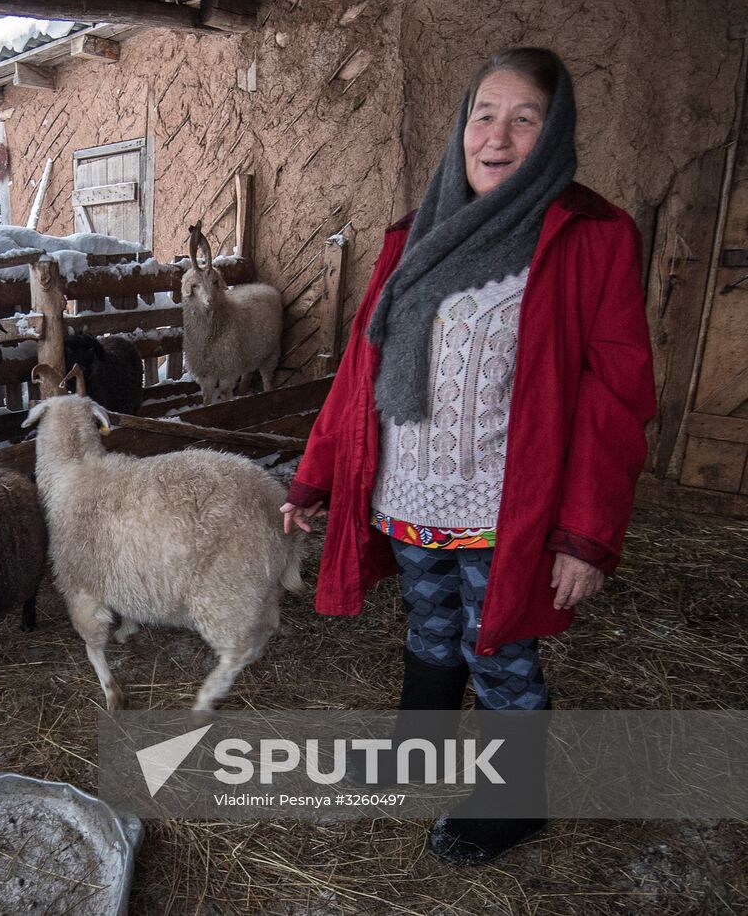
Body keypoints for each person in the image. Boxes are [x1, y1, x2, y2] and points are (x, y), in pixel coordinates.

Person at [279, 47, 656, 864]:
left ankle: (515, 799)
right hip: (410, 496)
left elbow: (614, 396)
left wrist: (586, 534)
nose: (499, 134)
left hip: (506, 510)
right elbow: (359, 371)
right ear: (461, 129)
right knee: (432, 625)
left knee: (501, 646)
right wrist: (316, 475)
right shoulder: (415, 237)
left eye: (526, 118)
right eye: (485, 114)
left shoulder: (588, 237)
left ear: (554, 134)